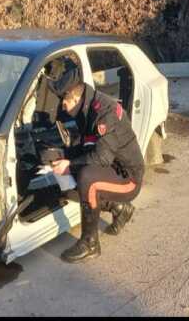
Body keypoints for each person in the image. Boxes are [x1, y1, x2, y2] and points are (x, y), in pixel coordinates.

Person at [48, 65, 144, 263]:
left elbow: (101, 157)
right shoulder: (87, 108)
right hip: (111, 169)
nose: (61, 107)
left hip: (128, 178)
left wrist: (69, 164)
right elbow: (86, 147)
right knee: (69, 183)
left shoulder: (104, 113)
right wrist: (61, 155)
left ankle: (90, 243)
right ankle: (119, 208)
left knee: (86, 178)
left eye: (63, 102)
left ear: (74, 98)